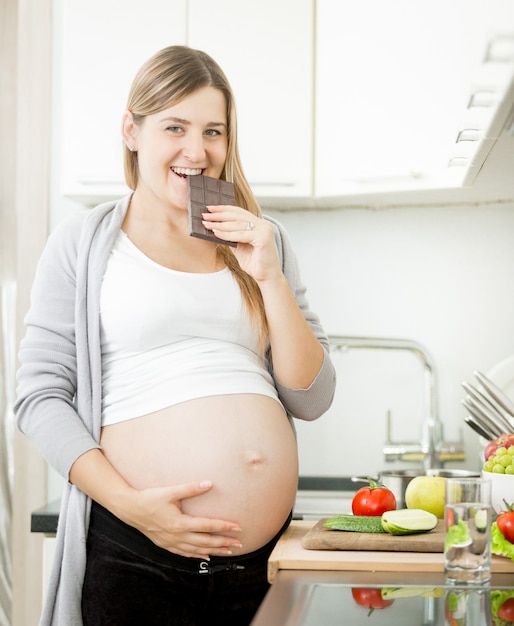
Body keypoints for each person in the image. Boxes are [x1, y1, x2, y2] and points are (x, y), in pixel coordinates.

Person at [14, 45, 336, 626]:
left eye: (214, 130)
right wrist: (133, 506)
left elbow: (311, 398)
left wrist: (270, 277)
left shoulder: (264, 242)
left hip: (258, 567)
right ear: (131, 131)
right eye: (175, 127)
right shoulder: (85, 242)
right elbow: (38, 398)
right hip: (135, 553)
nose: (198, 150)